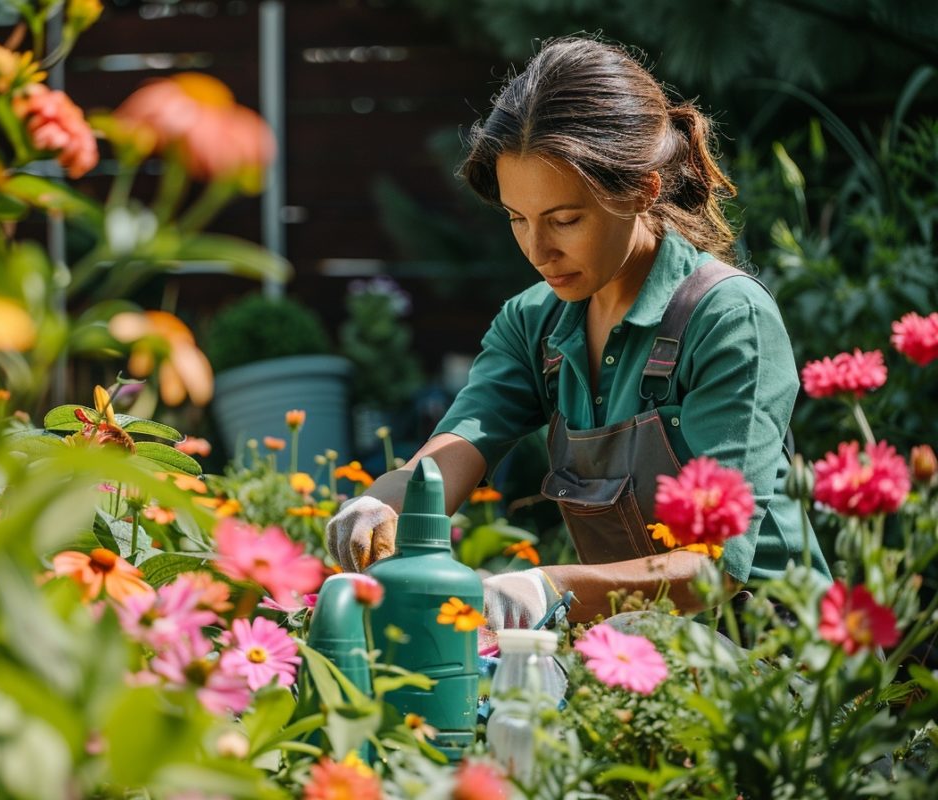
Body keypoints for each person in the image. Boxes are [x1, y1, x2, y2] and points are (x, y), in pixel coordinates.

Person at [326, 36, 830, 631]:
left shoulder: (726, 320)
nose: (539, 250)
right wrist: (383, 505)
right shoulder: (534, 323)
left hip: (784, 676)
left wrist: (545, 589)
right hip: (636, 657)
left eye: (564, 220)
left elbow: (713, 570)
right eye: (518, 219)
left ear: (643, 189)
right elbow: (459, 445)